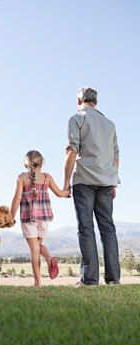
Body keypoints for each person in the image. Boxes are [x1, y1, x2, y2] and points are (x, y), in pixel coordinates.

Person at [64, 87, 120, 287]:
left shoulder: (76, 119)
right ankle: (113, 279)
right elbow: (115, 155)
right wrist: (113, 180)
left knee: (86, 229)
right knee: (108, 229)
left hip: (85, 180)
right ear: (95, 102)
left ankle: (90, 280)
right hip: (106, 181)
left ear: (79, 101)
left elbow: (71, 151)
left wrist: (65, 183)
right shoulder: (110, 124)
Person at [11, 150, 70, 287]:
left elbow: (17, 198)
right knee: (37, 246)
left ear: (26, 165)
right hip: (44, 218)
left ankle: (37, 282)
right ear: (41, 164)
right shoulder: (47, 177)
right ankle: (49, 258)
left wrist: (11, 216)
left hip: (28, 217)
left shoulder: (22, 178)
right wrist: (68, 192)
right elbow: (59, 193)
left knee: (34, 249)